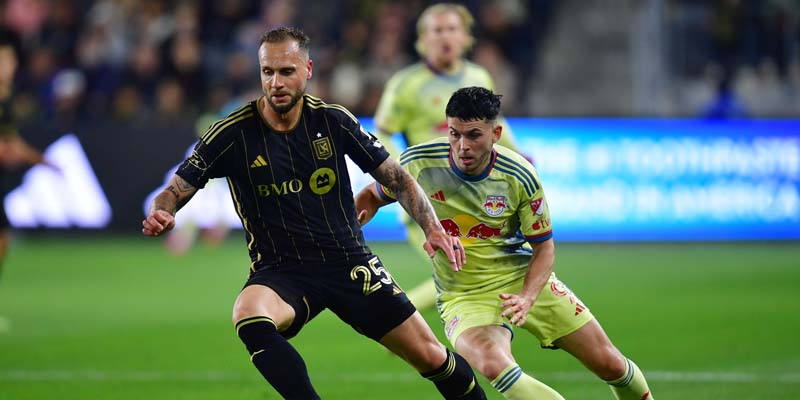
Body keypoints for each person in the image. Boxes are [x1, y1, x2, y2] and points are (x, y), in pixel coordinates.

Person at [142, 27, 487, 400]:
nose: (276, 82)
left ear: (307, 70)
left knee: (433, 358)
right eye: (268, 72)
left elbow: (398, 178)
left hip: (347, 262)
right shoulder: (231, 133)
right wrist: (164, 211)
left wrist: (433, 228)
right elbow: (174, 189)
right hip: (281, 270)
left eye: (286, 71)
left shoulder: (333, 121)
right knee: (248, 314)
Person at [356, 87, 654, 400]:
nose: (462, 147)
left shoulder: (519, 175)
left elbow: (544, 248)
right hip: (464, 295)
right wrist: (352, 221)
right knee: (494, 364)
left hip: (521, 280)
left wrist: (527, 297)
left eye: (474, 135)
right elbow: (372, 196)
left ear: (496, 133)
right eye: (455, 134)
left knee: (611, 364)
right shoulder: (418, 163)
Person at [374, 3, 524, 312]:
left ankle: (393, 317)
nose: (445, 36)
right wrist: (399, 170)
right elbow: (383, 131)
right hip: (425, 191)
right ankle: (393, 318)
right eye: (437, 29)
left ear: (466, 37)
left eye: (452, 29)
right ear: (422, 40)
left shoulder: (478, 75)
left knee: (472, 269)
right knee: (464, 268)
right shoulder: (406, 84)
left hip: (470, 191)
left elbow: (496, 124)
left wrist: (519, 156)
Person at [0, 30, 52, 273]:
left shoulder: (7, 99)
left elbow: (11, 142)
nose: (7, 66)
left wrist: (44, 161)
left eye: (10, 61)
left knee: (2, 239)